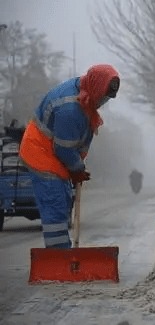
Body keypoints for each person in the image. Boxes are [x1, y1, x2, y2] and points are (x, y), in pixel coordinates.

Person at [19, 64, 120, 248]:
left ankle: (62, 255)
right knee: (55, 206)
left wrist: (76, 167)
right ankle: (58, 259)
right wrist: (77, 168)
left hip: (53, 156)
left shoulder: (85, 91)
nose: (104, 101)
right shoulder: (70, 108)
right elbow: (64, 149)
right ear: (96, 87)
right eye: (104, 96)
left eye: (108, 98)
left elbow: (76, 141)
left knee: (64, 200)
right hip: (40, 154)